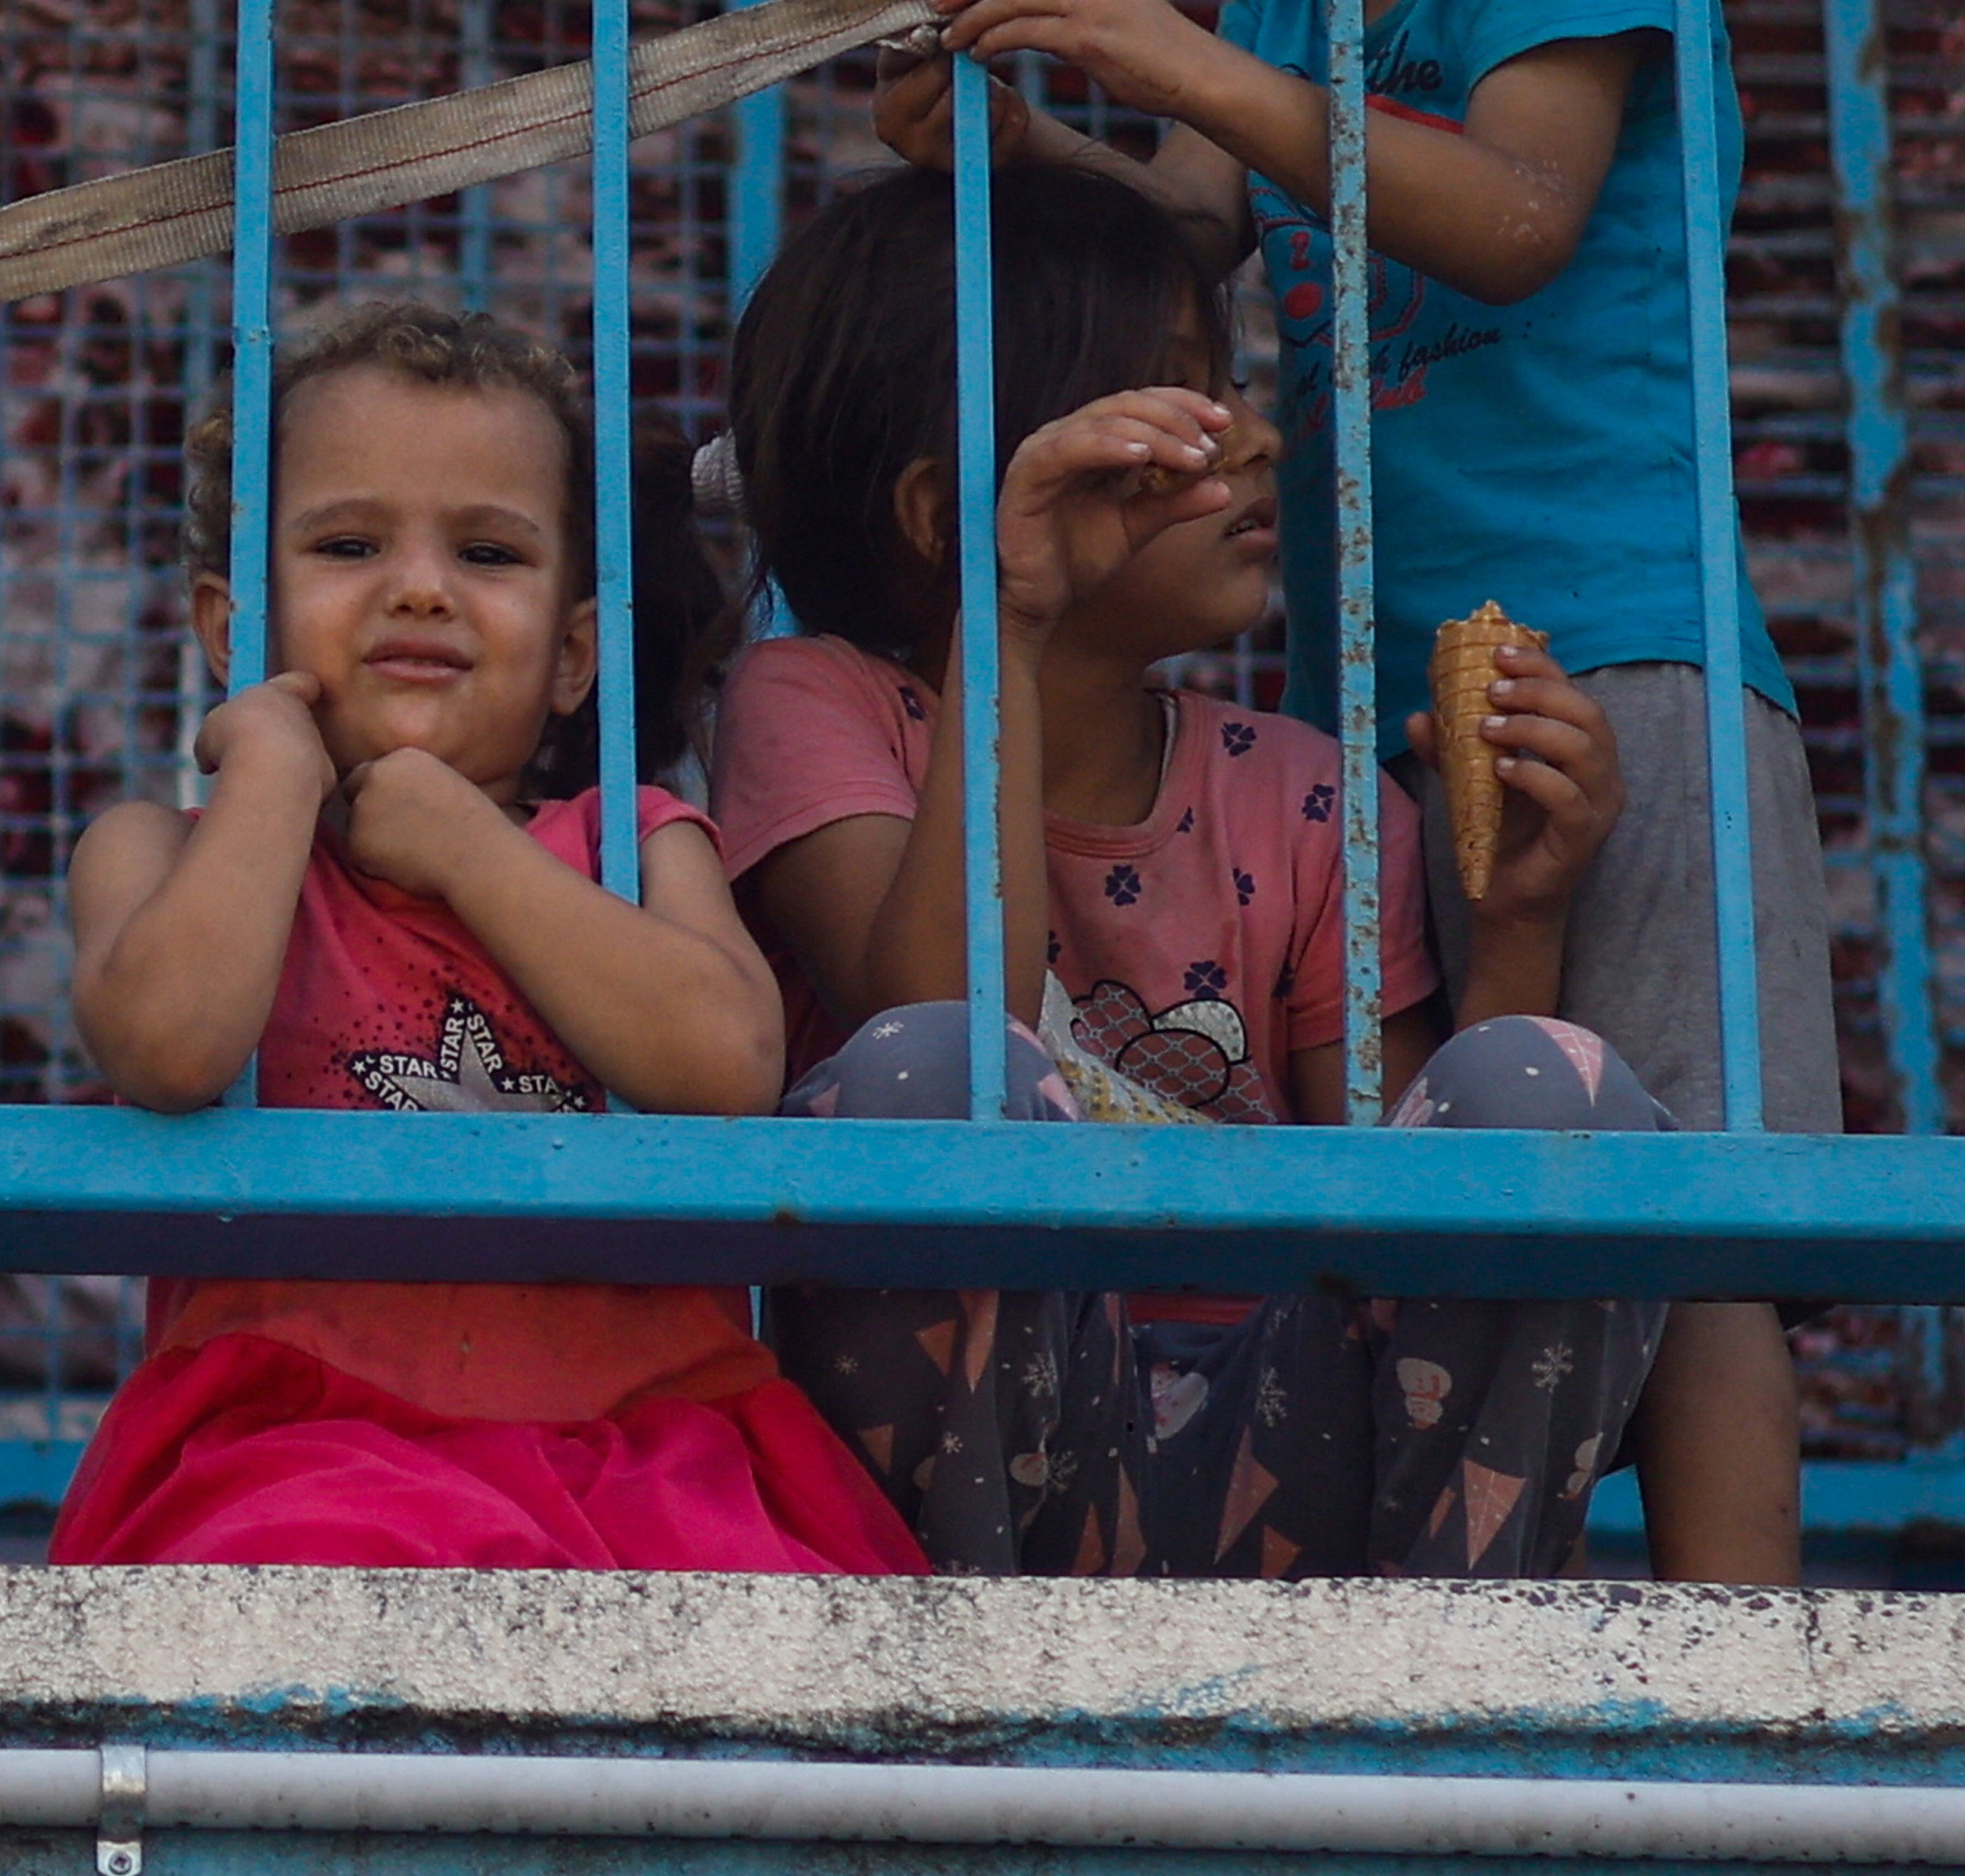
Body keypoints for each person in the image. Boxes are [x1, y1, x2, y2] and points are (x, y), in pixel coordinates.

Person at [873, 0, 1820, 1577]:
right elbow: (1178, 229)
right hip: (1367, 711)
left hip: (1622, 665)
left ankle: (1754, 1683)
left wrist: (1168, 52)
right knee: (1419, 1184)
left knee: (1689, 1201)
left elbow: (1505, 209)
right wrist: (1015, 121)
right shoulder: (1295, 12)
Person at [712, 162, 1771, 1582]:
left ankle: (1445, 1678)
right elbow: (947, 1008)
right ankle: (959, 1686)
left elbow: (1407, 1206)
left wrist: (1517, 916)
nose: (1258, 439)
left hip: (1274, 1452)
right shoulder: (815, 703)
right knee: (937, 1068)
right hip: (978, 1459)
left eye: (1235, 391)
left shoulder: (1303, 789)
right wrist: (1004, 615)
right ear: (940, 510)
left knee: (1544, 1089)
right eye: (1178, 403)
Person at [46, 302, 922, 1575]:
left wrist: (469, 848)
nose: (419, 585)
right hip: (303, 1438)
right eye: (349, 542)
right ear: (235, 630)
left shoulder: (633, 843)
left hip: (642, 1431)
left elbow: (728, 1058)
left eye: (490, 553)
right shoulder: (159, 853)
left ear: (573, 655)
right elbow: (171, 1044)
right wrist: (278, 772)